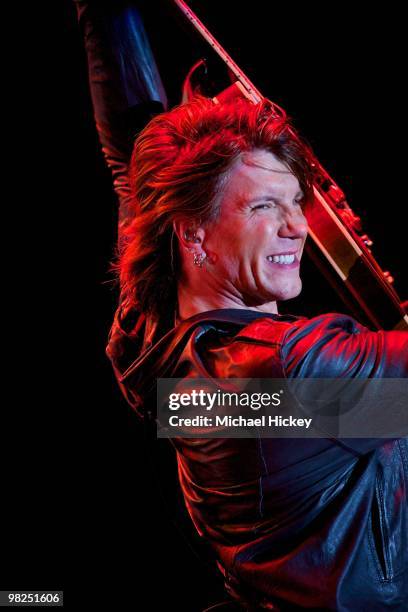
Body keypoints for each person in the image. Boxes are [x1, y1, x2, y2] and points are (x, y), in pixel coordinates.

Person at [76, 3, 408, 609]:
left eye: (297, 204)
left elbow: (131, 168)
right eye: (263, 208)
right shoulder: (288, 374)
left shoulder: (149, 339)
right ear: (194, 233)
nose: (298, 228)